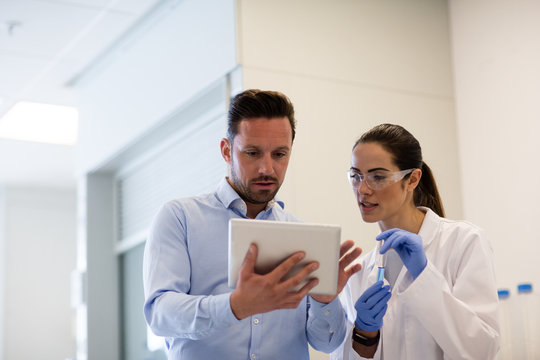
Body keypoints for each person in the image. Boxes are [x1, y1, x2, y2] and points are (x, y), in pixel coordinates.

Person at [143, 89, 363, 360]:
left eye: (280, 154)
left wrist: (325, 300)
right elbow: (160, 314)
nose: (267, 169)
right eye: (252, 153)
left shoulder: (303, 237)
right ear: (226, 150)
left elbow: (327, 343)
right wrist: (234, 306)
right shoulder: (180, 218)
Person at [331, 124, 499, 359]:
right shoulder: (358, 272)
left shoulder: (464, 242)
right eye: (356, 176)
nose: (363, 189)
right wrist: (363, 335)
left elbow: (483, 351)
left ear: (412, 180)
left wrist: (425, 279)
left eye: (377, 177)